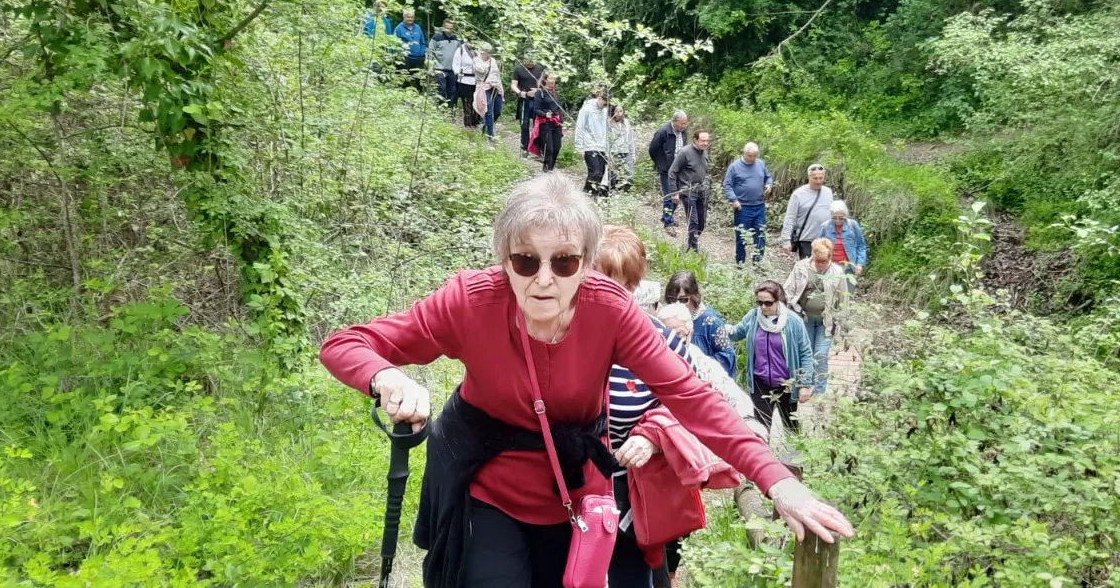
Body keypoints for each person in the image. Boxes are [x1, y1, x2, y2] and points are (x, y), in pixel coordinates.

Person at [319, 175, 851, 588]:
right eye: (526, 260)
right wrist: (385, 374)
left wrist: (777, 480)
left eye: (565, 260)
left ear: (586, 263)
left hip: (571, 487)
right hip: (486, 484)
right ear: (504, 258)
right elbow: (345, 344)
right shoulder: (471, 301)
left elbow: (689, 397)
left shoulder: (610, 310)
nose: (544, 277)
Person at [592, 226, 763, 587]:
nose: (612, 293)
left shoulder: (659, 339)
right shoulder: (560, 334)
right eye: (602, 279)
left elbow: (697, 395)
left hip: (633, 490)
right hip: (572, 487)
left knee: (632, 574)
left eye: (623, 283)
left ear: (635, 286)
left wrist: (653, 435)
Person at [727, 281, 814, 435]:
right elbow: (736, 333)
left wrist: (804, 384)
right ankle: (763, 458)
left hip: (786, 384)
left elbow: (805, 353)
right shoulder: (753, 317)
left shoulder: (794, 322)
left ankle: (792, 458)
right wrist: (721, 329)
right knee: (760, 429)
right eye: (759, 303)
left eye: (768, 303)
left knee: (791, 427)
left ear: (778, 300)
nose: (763, 307)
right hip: (760, 383)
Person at [782, 238, 848, 397]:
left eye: (823, 261)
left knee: (821, 354)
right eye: (817, 261)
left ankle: (819, 391)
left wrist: (843, 324)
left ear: (830, 258)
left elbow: (843, 300)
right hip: (804, 318)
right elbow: (788, 290)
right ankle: (805, 385)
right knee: (805, 352)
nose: (820, 264)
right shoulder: (801, 268)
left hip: (826, 321)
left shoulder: (837, 273)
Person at [663, 271, 735, 377]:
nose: (677, 304)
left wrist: (700, 364)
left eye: (683, 300)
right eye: (673, 299)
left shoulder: (711, 322)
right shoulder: (667, 317)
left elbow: (727, 356)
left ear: (693, 297)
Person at [722, 142, 773, 265]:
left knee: (760, 234)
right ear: (744, 153)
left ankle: (758, 262)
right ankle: (740, 262)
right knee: (741, 236)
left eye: (755, 155)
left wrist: (769, 184)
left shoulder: (760, 164)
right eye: (750, 155)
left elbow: (768, 177)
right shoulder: (735, 167)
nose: (752, 158)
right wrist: (734, 199)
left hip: (759, 206)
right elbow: (727, 185)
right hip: (743, 208)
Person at [668, 130, 712, 252]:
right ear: (695, 139)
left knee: (701, 223)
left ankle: (692, 241)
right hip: (688, 191)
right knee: (693, 221)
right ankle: (693, 249)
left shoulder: (705, 153)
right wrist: (674, 192)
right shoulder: (685, 152)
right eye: (702, 140)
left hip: (702, 192)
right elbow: (672, 171)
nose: (705, 143)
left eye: (707, 141)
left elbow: (705, 171)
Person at [647, 112, 690, 235]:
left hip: (680, 169)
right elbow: (652, 149)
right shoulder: (663, 132)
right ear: (675, 121)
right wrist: (660, 163)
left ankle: (666, 215)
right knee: (670, 195)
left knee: (679, 195)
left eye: (685, 123)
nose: (684, 126)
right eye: (682, 123)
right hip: (667, 169)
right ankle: (668, 223)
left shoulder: (683, 131)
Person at [780, 164, 834, 259]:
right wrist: (786, 240)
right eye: (815, 178)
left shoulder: (828, 192)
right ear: (809, 177)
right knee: (809, 270)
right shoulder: (798, 194)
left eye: (821, 178)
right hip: (806, 240)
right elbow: (790, 217)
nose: (818, 181)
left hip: (825, 240)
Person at [527, 73, 565, 173]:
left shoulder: (555, 93)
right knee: (549, 149)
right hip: (545, 123)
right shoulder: (540, 92)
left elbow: (559, 108)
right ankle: (547, 170)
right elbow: (536, 109)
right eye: (551, 78)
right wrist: (544, 114)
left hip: (557, 123)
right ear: (545, 80)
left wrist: (562, 121)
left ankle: (551, 168)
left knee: (557, 147)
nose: (553, 80)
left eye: (554, 78)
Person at [575, 90, 610, 196]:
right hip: (589, 145)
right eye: (604, 103)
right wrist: (579, 147)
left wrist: (608, 147)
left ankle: (593, 196)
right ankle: (586, 195)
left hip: (602, 146)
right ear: (599, 99)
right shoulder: (586, 109)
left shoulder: (604, 111)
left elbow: (606, 129)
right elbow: (579, 127)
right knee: (595, 172)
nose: (605, 106)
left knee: (600, 174)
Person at [512, 51, 547, 158]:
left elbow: (546, 84)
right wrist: (520, 93)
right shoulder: (518, 69)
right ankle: (524, 147)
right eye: (528, 60)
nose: (530, 62)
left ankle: (538, 147)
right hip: (525, 99)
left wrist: (538, 90)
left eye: (532, 60)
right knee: (524, 124)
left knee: (539, 124)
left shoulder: (540, 68)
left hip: (538, 100)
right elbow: (513, 85)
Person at [826, 200, 868, 286]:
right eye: (834, 217)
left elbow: (861, 246)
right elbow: (819, 247)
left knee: (847, 296)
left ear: (845, 216)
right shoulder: (825, 226)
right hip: (830, 267)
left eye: (841, 218)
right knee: (831, 296)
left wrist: (859, 264)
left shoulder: (853, 225)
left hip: (848, 267)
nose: (837, 220)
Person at [428, 19, 463, 112]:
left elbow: (461, 53)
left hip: (453, 69)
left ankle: (450, 110)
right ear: (443, 27)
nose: (448, 30)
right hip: (439, 68)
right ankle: (440, 110)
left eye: (450, 28)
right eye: (447, 28)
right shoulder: (436, 37)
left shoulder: (457, 39)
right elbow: (430, 51)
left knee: (452, 91)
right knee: (441, 90)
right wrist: (430, 66)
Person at [472, 43, 504, 142]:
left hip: (495, 87)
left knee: (497, 111)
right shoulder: (476, 60)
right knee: (488, 112)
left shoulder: (493, 60)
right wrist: (483, 60)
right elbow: (481, 71)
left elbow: (497, 75)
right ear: (482, 52)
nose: (489, 55)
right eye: (487, 53)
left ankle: (485, 125)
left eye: (490, 53)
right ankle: (491, 136)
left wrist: (501, 89)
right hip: (484, 88)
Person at [606, 102, 636, 193]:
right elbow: (606, 140)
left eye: (620, 111)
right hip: (614, 152)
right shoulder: (608, 123)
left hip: (626, 152)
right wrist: (608, 155)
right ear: (612, 111)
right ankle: (614, 194)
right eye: (616, 111)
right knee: (614, 176)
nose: (618, 113)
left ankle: (626, 193)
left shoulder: (626, 122)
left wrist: (633, 154)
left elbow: (630, 138)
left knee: (629, 175)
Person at [393, 9, 428, 84]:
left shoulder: (418, 27)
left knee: (418, 81)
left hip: (418, 58)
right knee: (404, 80)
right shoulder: (399, 28)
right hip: (406, 59)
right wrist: (402, 55)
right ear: (404, 17)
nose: (410, 19)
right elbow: (395, 44)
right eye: (408, 17)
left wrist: (422, 52)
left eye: (412, 17)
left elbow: (422, 42)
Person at [452, 36, 479, 128]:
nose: (473, 44)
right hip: (464, 80)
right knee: (467, 101)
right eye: (471, 42)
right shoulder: (460, 50)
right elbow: (455, 64)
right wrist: (457, 73)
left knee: (476, 101)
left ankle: (475, 121)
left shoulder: (477, 51)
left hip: (476, 80)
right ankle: (468, 123)